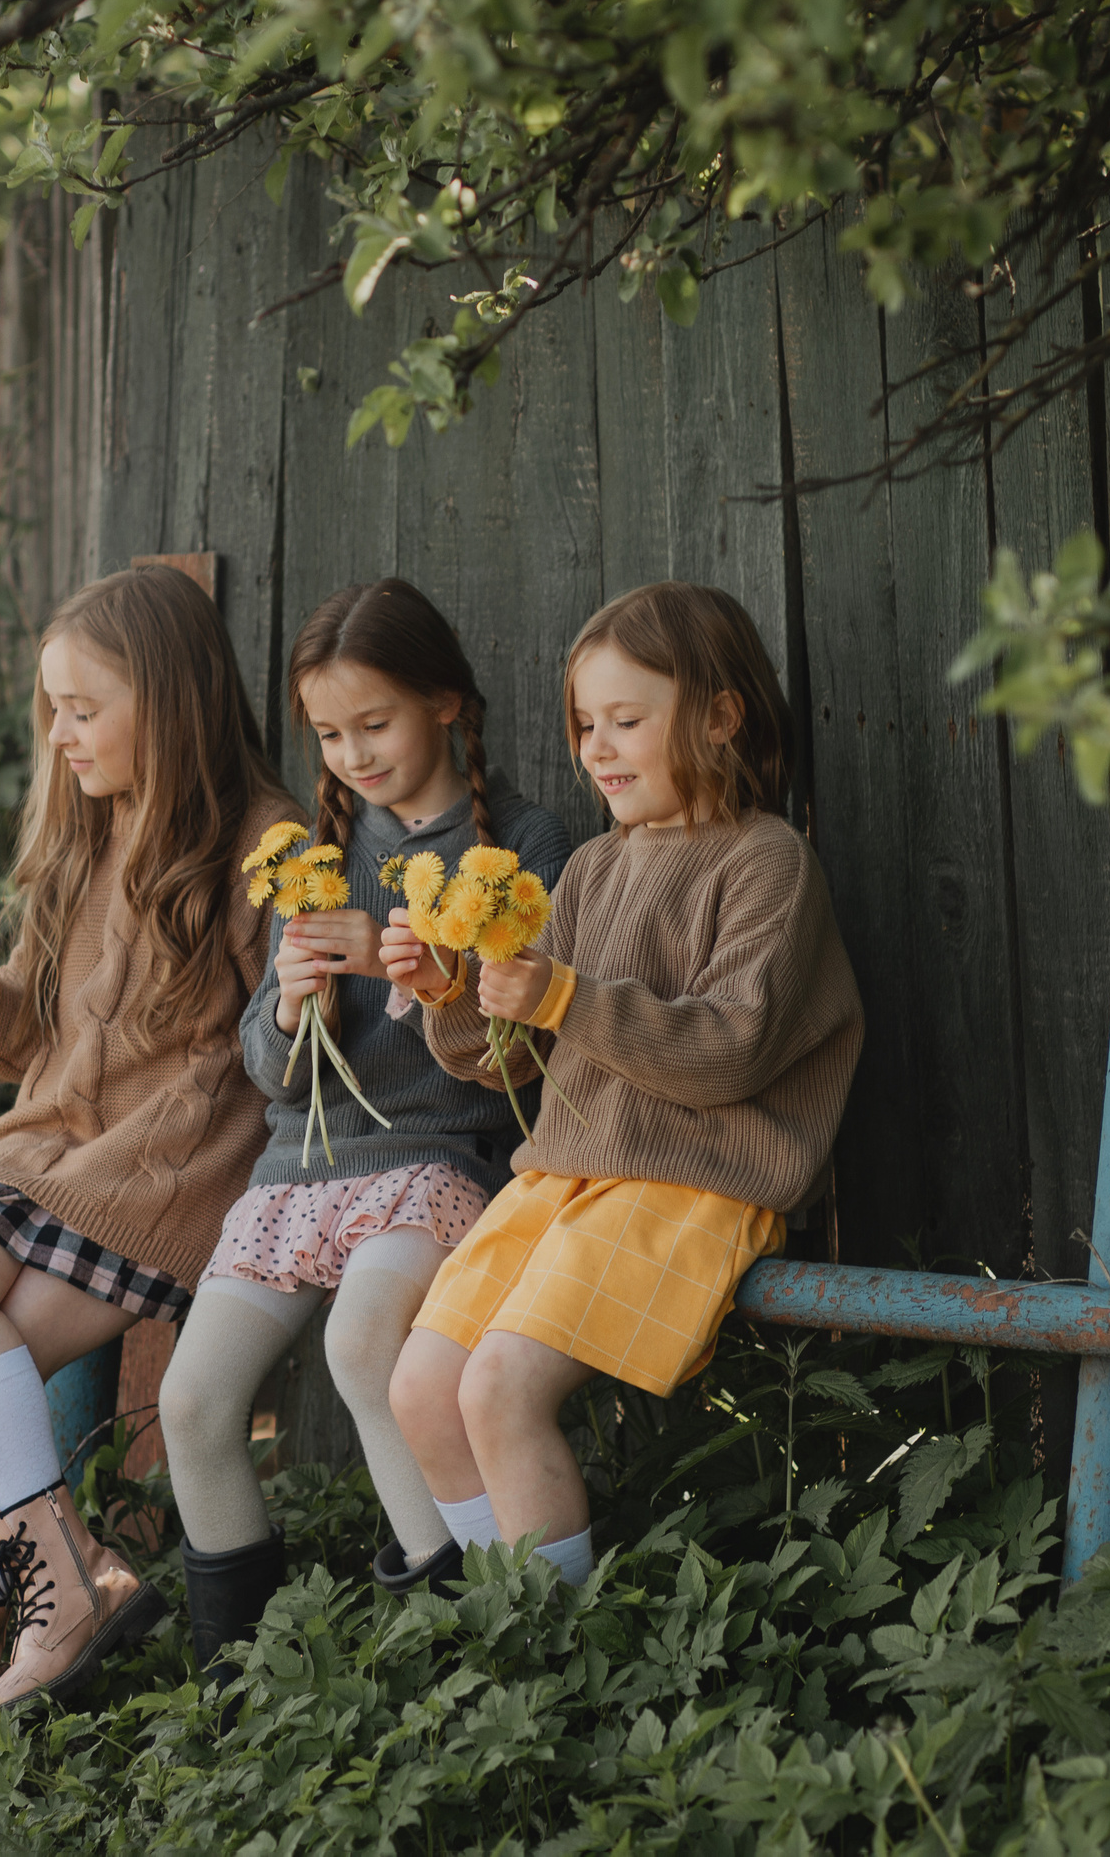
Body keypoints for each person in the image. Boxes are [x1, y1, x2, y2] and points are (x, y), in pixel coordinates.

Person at [0, 565, 301, 1778]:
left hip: (162, 1179)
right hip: (47, 1154)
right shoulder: (86, 836)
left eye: (85, 707)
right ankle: (58, 1581)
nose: (62, 733)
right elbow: (28, 1045)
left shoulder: (263, 848)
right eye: (53, 709)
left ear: (171, 702)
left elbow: (280, 1060)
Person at [382, 583, 863, 1590]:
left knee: (500, 1387)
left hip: (694, 1180)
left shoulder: (767, 863)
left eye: (626, 722)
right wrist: (450, 991)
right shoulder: (595, 867)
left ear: (720, 717)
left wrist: (565, 995)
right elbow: (509, 1058)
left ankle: (550, 1637)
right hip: (565, 1177)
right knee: (423, 1387)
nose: (597, 749)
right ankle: (499, 1605)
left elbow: (733, 1049)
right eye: (585, 725)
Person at [154, 580, 573, 1680]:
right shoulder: (313, 856)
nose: (353, 755)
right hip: (299, 1169)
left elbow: (522, 1055)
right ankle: (238, 1683)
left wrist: (421, 968)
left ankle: (462, 1638)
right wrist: (295, 1003)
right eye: (330, 735)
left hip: (439, 1157)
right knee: (191, 1400)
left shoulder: (524, 843)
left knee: (362, 1344)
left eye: (374, 724)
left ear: (446, 702)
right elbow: (267, 1068)